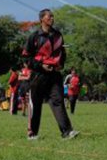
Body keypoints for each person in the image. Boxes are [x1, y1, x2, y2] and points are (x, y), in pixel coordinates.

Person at [22, 9, 78, 140]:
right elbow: (26, 57)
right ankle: (32, 133)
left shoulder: (58, 35)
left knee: (58, 101)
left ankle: (67, 132)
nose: (52, 19)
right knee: (35, 104)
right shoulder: (34, 36)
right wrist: (40, 65)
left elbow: (62, 53)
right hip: (38, 75)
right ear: (42, 19)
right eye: (49, 17)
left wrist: (61, 64)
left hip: (55, 74)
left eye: (53, 16)